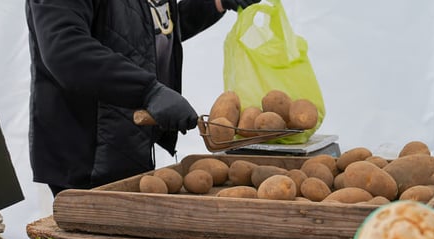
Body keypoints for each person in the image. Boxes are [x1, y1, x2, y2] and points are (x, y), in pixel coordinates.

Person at [25, 0, 261, 197]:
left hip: (126, 142)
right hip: (85, 154)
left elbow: (147, 33)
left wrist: (212, 4)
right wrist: (148, 91)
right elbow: (66, 50)